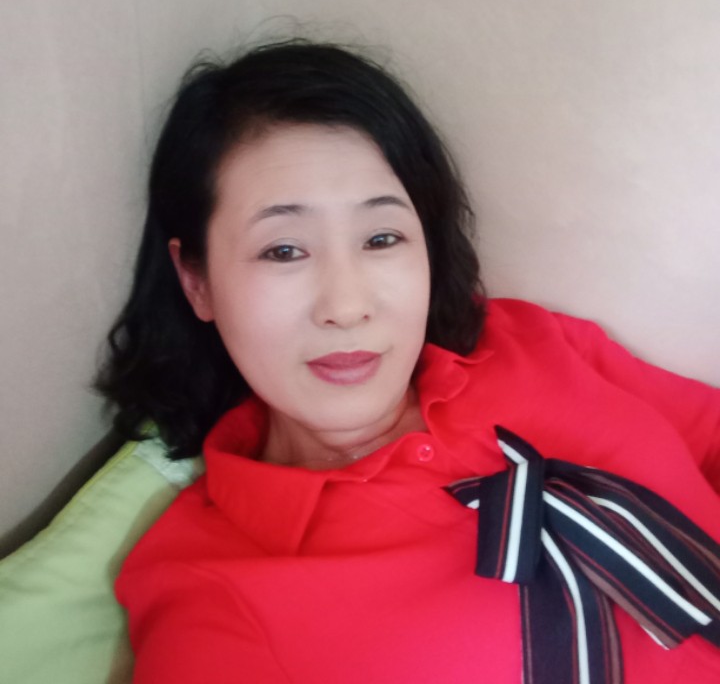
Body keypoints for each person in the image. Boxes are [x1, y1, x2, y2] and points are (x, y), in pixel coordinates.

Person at [99, 39, 720, 683]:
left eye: (381, 237)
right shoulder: (209, 597)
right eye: (283, 250)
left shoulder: (527, 341)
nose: (346, 306)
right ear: (197, 281)